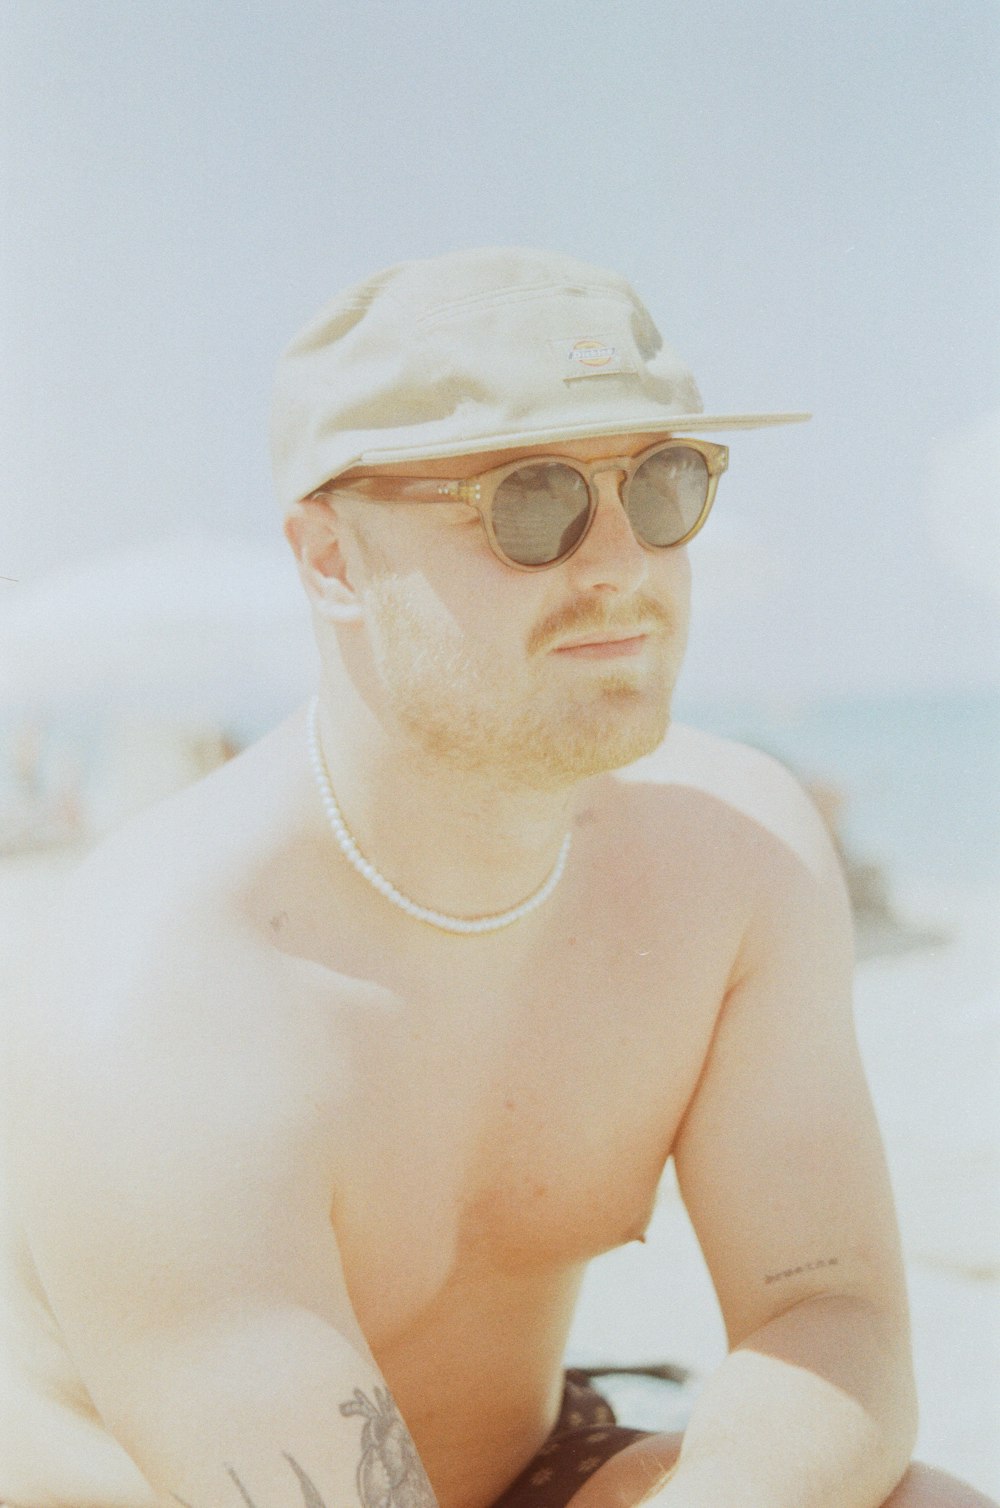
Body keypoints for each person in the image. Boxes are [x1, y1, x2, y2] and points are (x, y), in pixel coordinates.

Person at [2, 247, 993, 1508]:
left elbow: (824, 1307)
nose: (620, 564)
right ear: (330, 559)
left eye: (662, 483)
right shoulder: (163, 999)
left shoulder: (732, 858)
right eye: (531, 500)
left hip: (520, 1465)